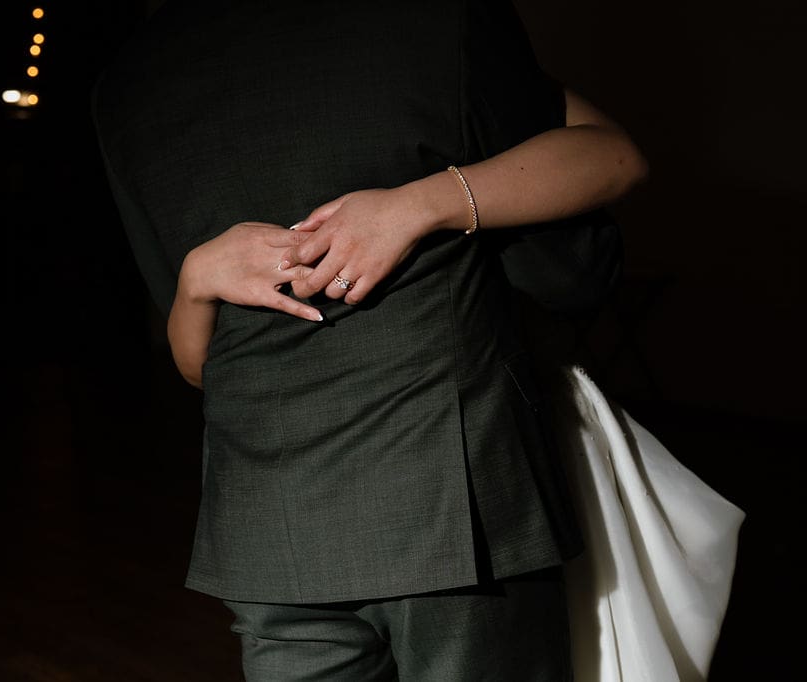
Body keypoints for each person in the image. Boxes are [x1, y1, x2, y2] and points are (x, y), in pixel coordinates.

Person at [91, 1, 657, 679]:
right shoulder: (432, 18)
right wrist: (423, 204)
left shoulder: (126, 81)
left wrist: (192, 281)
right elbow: (610, 166)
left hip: (269, 524)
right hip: (447, 492)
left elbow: (195, 366)